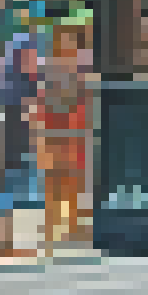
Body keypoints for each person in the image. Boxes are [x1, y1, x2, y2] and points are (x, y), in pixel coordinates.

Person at [33, 22, 94, 253]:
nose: (67, 45)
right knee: (53, 182)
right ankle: (51, 228)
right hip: (54, 129)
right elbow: (41, 99)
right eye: (63, 41)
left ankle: (75, 226)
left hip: (75, 130)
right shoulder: (49, 68)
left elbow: (87, 99)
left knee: (74, 182)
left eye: (70, 40)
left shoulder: (82, 66)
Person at [0, 17, 44, 257]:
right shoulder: (27, 44)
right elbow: (31, 73)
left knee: (8, 176)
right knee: (13, 176)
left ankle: (2, 240)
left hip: (11, 110)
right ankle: (4, 242)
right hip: (20, 111)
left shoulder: (12, 46)